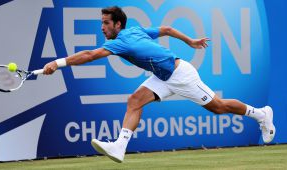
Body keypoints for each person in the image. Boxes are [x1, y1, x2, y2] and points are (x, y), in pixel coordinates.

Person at [43, 6, 275, 163]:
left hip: (181, 75)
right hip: (162, 77)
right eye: (101, 23)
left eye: (105, 23)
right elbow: (165, 29)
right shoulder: (134, 31)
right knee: (135, 100)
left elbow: (90, 55)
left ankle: (261, 114)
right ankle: (119, 147)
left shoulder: (121, 42)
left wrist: (58, 62)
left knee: (218, 106)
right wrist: (190, 40)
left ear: (118, 24)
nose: (102, 27)